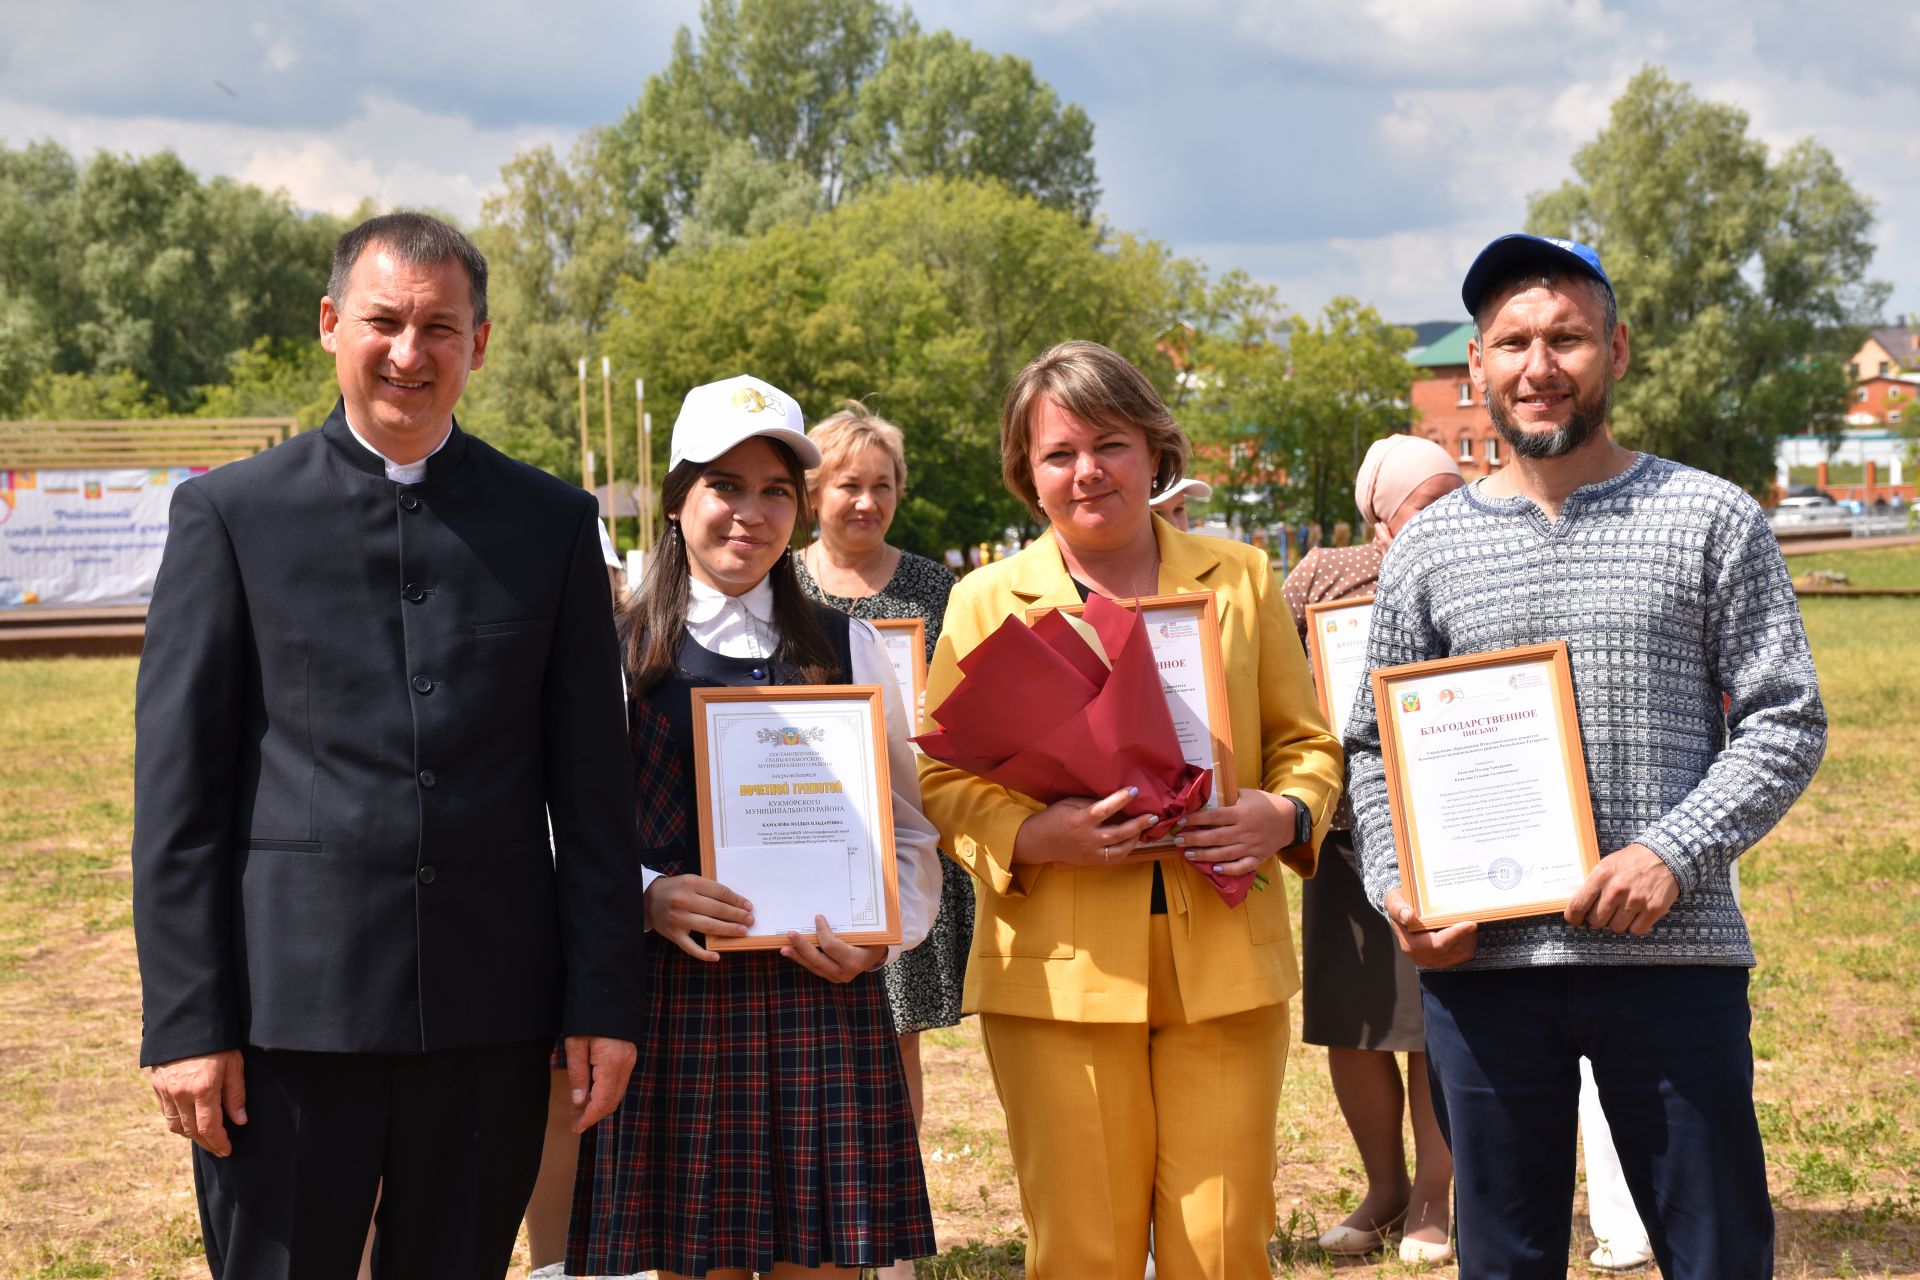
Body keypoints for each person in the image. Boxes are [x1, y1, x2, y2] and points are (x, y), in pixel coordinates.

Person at [131, 211, 646, 1279]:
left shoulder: (548, 524)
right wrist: (188, 1018)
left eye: (439, 328)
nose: (410, 354)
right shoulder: (230, 517)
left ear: (480, 343)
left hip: (489, 1015)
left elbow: (593, 792)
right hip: (286, 1024)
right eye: (384, 322)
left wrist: (603, 999)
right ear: (331, 325)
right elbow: (180, 797)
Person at [1344, 233, 1827, 1278]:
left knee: (1716, 1249)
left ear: (1617, 349)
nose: (1538, 363)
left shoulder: (1710, 518)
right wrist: (1402, 885)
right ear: (1476, 365)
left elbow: (1787, 714)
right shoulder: (1429, 548)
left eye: (1565, 336)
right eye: (1513, 340)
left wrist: (1673, 852)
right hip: (1485, 966)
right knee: (1506, 1255)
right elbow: (1373, 747)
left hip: (1674, 955)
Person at [918, 340, 1345, 1280]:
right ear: (1027, 476)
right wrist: (1036, 834)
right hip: (1058, 975)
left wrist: (1283, 816)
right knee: (1081, 1252)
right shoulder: (985, 600)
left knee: (1224, 1248)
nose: (1087, 471)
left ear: (1155, 451)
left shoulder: (1241, 580)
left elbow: (1310, 747)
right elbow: (944, 782)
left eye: (1108, 443)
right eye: (1058, 453)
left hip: (1226, 959)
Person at [565, 374, 942, 1280]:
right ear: (675, 500)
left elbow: (908, 834)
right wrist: (647, 896)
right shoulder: (614, 648)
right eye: (724, 487)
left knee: (822, 1267)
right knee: (704, 1263)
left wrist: (883, 937)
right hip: (677, 1003)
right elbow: (560, 827)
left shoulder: (846, 648)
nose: (751, 513)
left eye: (776, 490)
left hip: (822, 997)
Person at [793, 400, 969, 1280]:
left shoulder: (941, 591)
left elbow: (968, 712)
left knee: (896, 1032)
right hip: (812, 847)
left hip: (904, 843)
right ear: (814, 490)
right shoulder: (780, 586)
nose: (866, 502)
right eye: (847, 485)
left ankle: (889, 1236)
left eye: (883, 485)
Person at [1280, 432, 1462, 1264]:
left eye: (1457, 492)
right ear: (1382, 511)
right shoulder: (1320, 577)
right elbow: (1271, 678)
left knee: (1431, 1025)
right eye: (1428, 499)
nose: (1449, 511)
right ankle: (1383, 1186)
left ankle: (1436, 1195)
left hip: (1449, 824)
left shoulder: (1479, 562)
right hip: (1348, 831)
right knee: (1353, 1024)